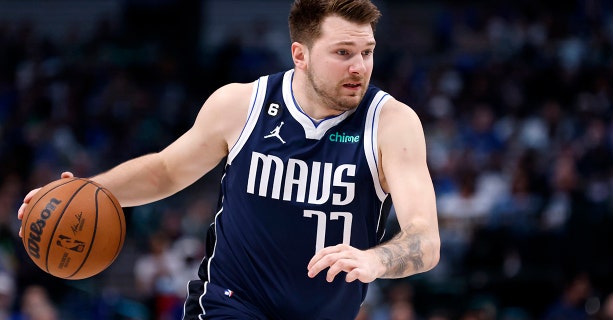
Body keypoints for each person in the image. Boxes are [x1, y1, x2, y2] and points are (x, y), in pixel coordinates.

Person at [17, 0, 441, 318]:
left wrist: (375, 259)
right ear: (301, 55)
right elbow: (166, 170)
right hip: (230, 302)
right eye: (343, 53)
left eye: (366, 52)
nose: (359, 67)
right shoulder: (242, 104)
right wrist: (87, 190)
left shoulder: (391, 124)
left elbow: (425, 238)